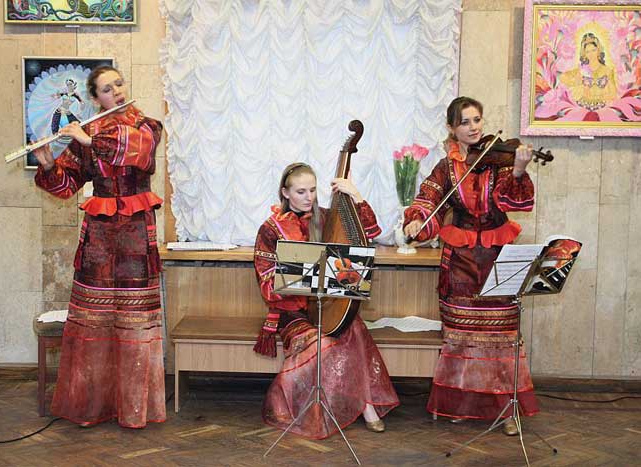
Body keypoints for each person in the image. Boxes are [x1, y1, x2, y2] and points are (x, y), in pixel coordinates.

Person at [34, 66, 165, 428]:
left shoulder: (148, 126)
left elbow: (140, 152)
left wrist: (90, 140)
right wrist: (48, 163)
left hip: (136, 236)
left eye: (118, 84)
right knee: (96, 320)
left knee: (134, 322)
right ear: (95, 98)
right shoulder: (86, 132)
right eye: (107, 89)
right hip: (100, 239)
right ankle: (93, 407)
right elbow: (66, 186)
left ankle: (134, 409)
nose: (117, 91)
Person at [403, 96, 538, 436]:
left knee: (502, 337)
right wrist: (417, 221)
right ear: (452, 128)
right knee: (462, 338)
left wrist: (519, 169)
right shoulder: (445, 167)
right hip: (460, 261)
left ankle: (506, 410)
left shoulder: (499, 161)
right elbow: (428, 199)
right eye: (465, 122)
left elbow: (513, 200)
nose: (474, 127)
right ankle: (461, 405)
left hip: (496, 257)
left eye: (477, 120)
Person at [253, 162, 399, 438]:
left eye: (312, 190)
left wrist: (355, 195)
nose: (308, 197)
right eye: (300, 191)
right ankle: (339, 405)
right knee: (325, 345)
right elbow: (267, 286)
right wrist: (300, 275)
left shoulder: (327, 219)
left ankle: (366, 404)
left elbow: (371, 233)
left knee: (353, 328)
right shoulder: (271, 229)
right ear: (285, 192)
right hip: (292, 314)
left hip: (328, 307)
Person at [560, 32, 617, 111]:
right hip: (582, 107)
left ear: (598, 50)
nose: (591, 54)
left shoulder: (608, 70)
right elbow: (562, 77)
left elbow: (613, 93)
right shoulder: (581, 70)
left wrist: (602, 96)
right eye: (587, 52)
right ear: (584, 54)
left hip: (603, 108)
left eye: (593, 50)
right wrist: (576, 83)